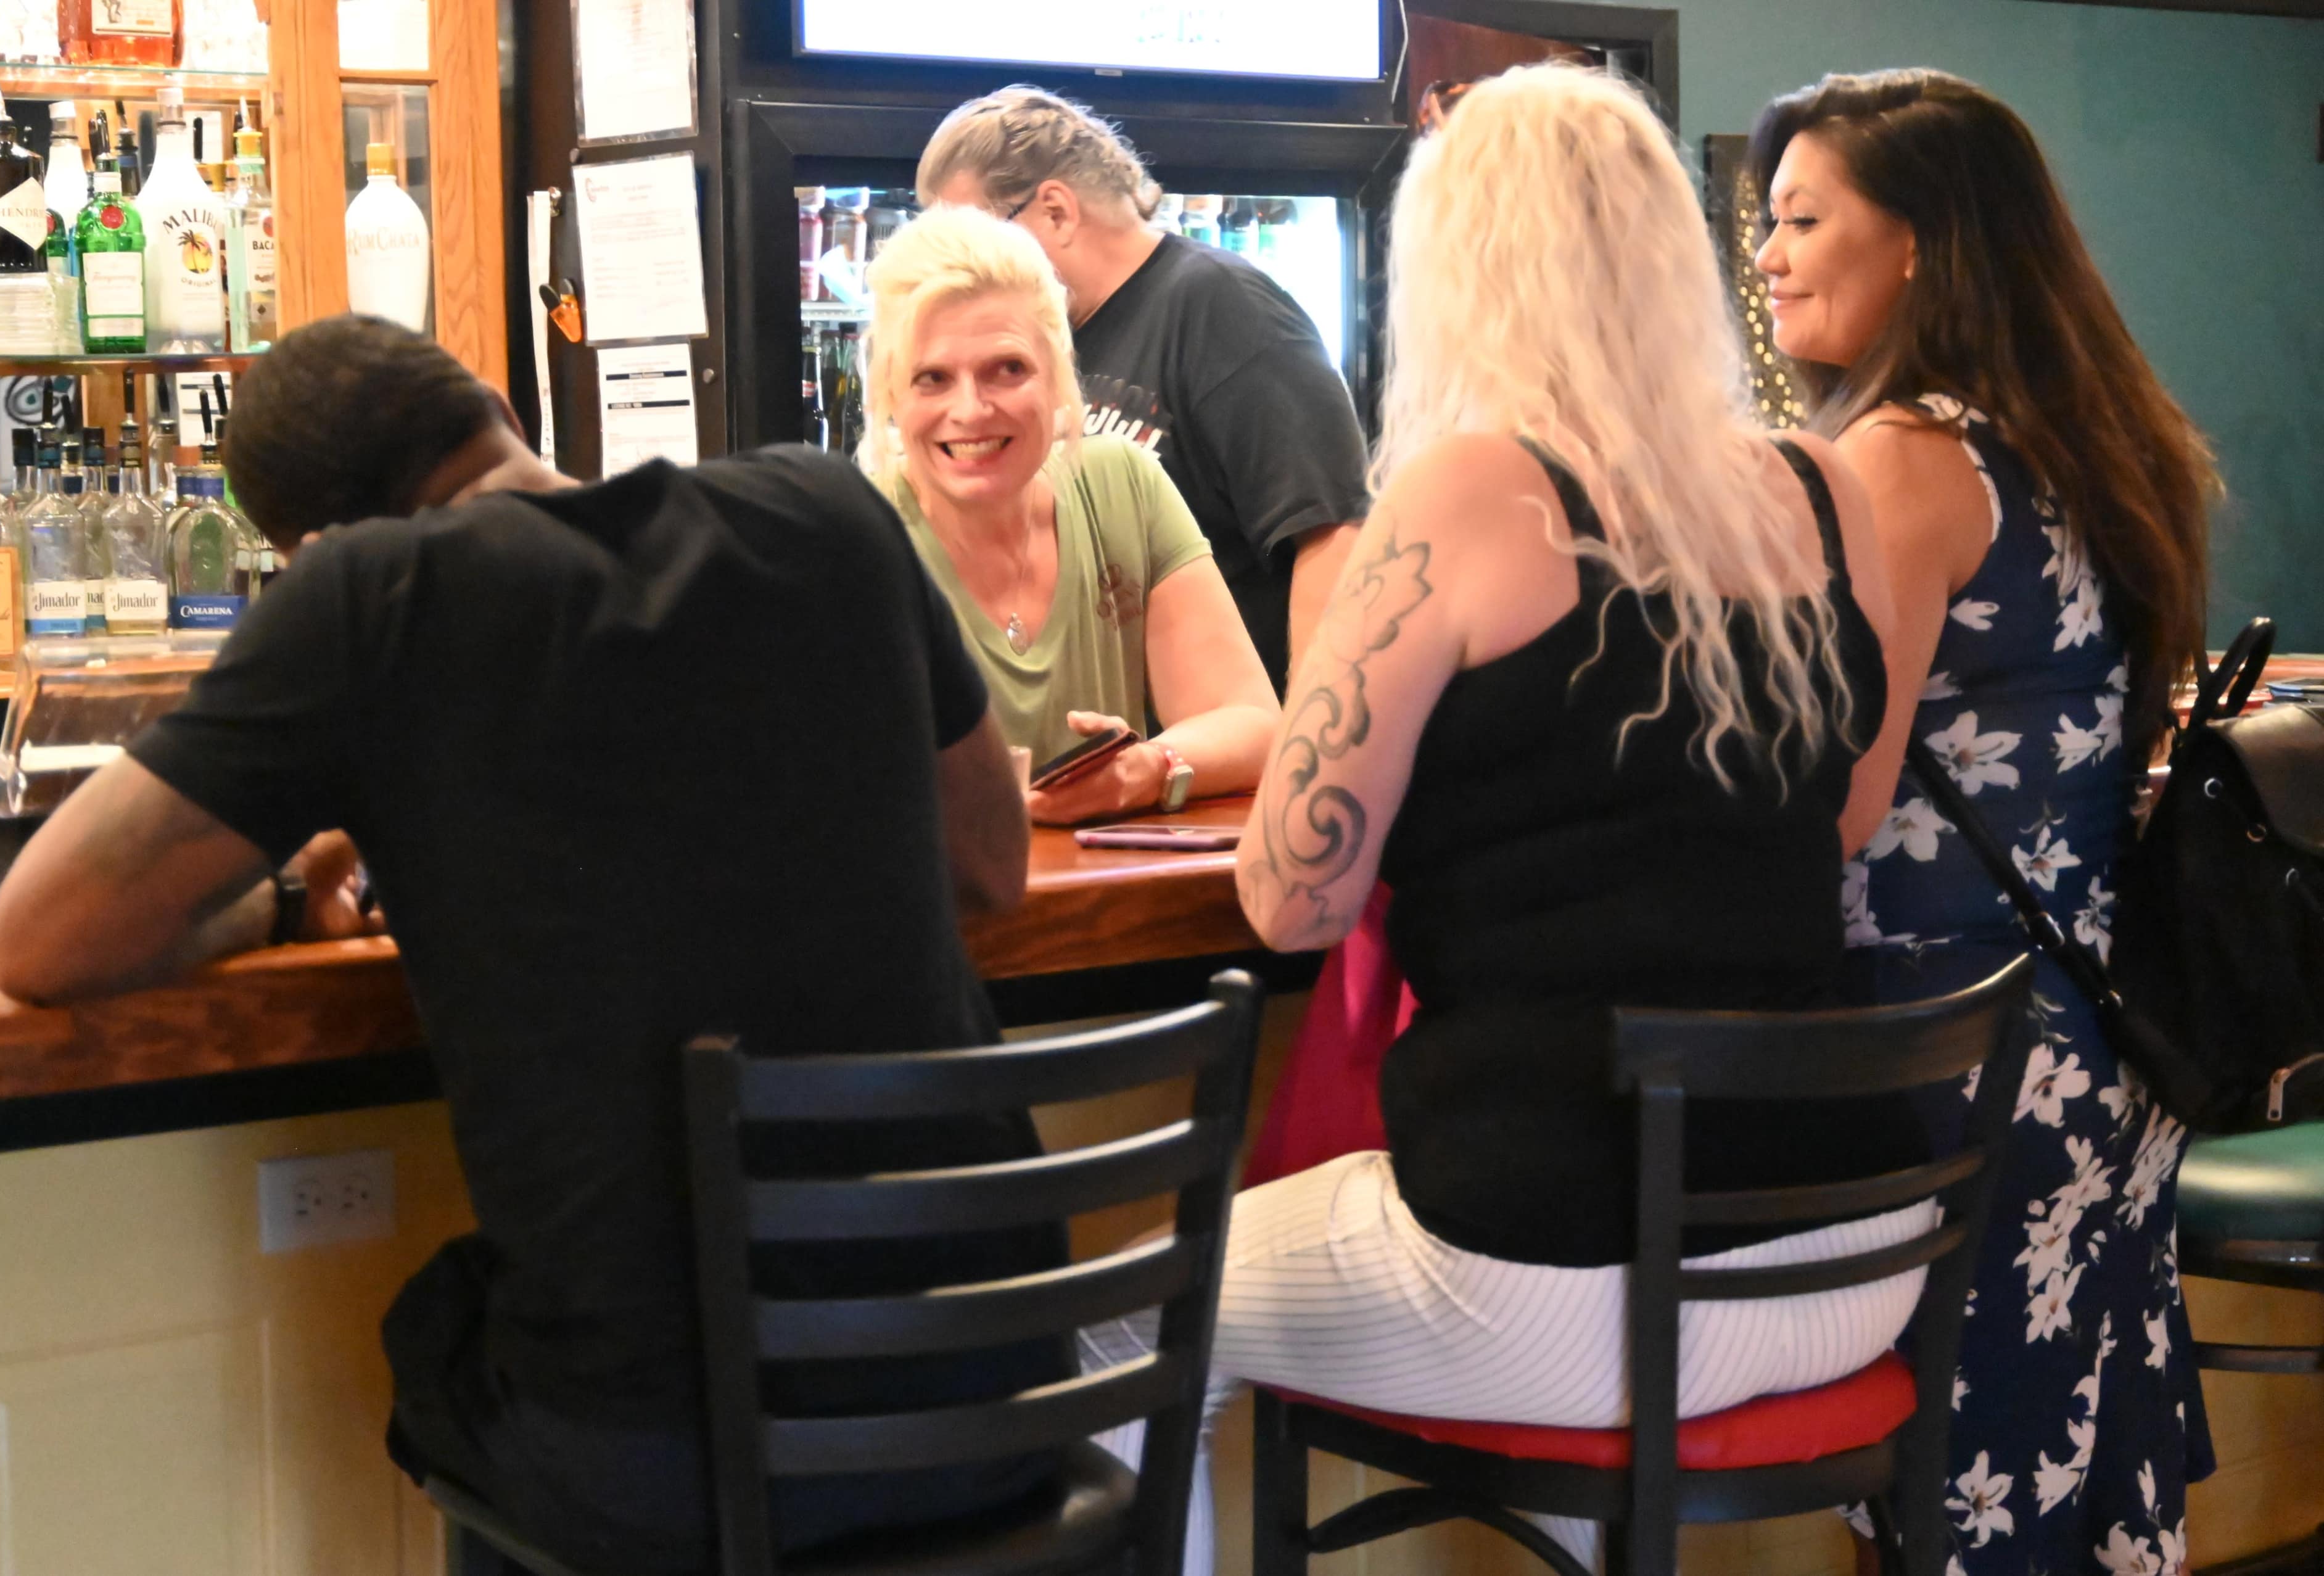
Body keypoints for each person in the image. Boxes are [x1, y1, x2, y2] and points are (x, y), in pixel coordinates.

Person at [0, 314, 1073, 1574]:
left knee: (452, 1343)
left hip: (677, 1470)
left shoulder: (372, 594)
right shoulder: (829, 506)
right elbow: (992, 866)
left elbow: (38, 936)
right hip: (1002, 1392)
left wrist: (284, 902)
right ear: (502, 407)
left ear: (321, 541)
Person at [1089, 63, 1916, 1574]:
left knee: (1102, 1325)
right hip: (1851, 1250)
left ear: (1455, 266)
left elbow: (1292, 898)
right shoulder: (1814, 487)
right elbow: (1847, 821)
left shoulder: (1471, 491)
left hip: (1571, 1273)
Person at [1749, 69, 2218, 1576]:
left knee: (1968, 1502)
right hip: (2089, 1040)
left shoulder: (1897, 462)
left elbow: (1839, 799)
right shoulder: (2090, 441)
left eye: (1798, 217)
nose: (1763, 255)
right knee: (2055, 1487)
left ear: (1919, 247)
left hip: (1952, 1061)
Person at [918, 86, 1371, 688]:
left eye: (970, 241)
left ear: (1055, 210)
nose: (956, 271)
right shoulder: (1049, 339)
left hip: (1235, 759)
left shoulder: (1224, 307)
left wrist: (1312, 755)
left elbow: (1333, 535)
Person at [859, 203, 1277, 825]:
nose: (971, 410)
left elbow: (1255, 726)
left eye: (1008, 369)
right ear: (891, 391)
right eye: (933, 378)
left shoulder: (1121, 484)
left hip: (1110, 911)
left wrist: (1147, 769)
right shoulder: (856, 538)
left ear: (1058, 377)